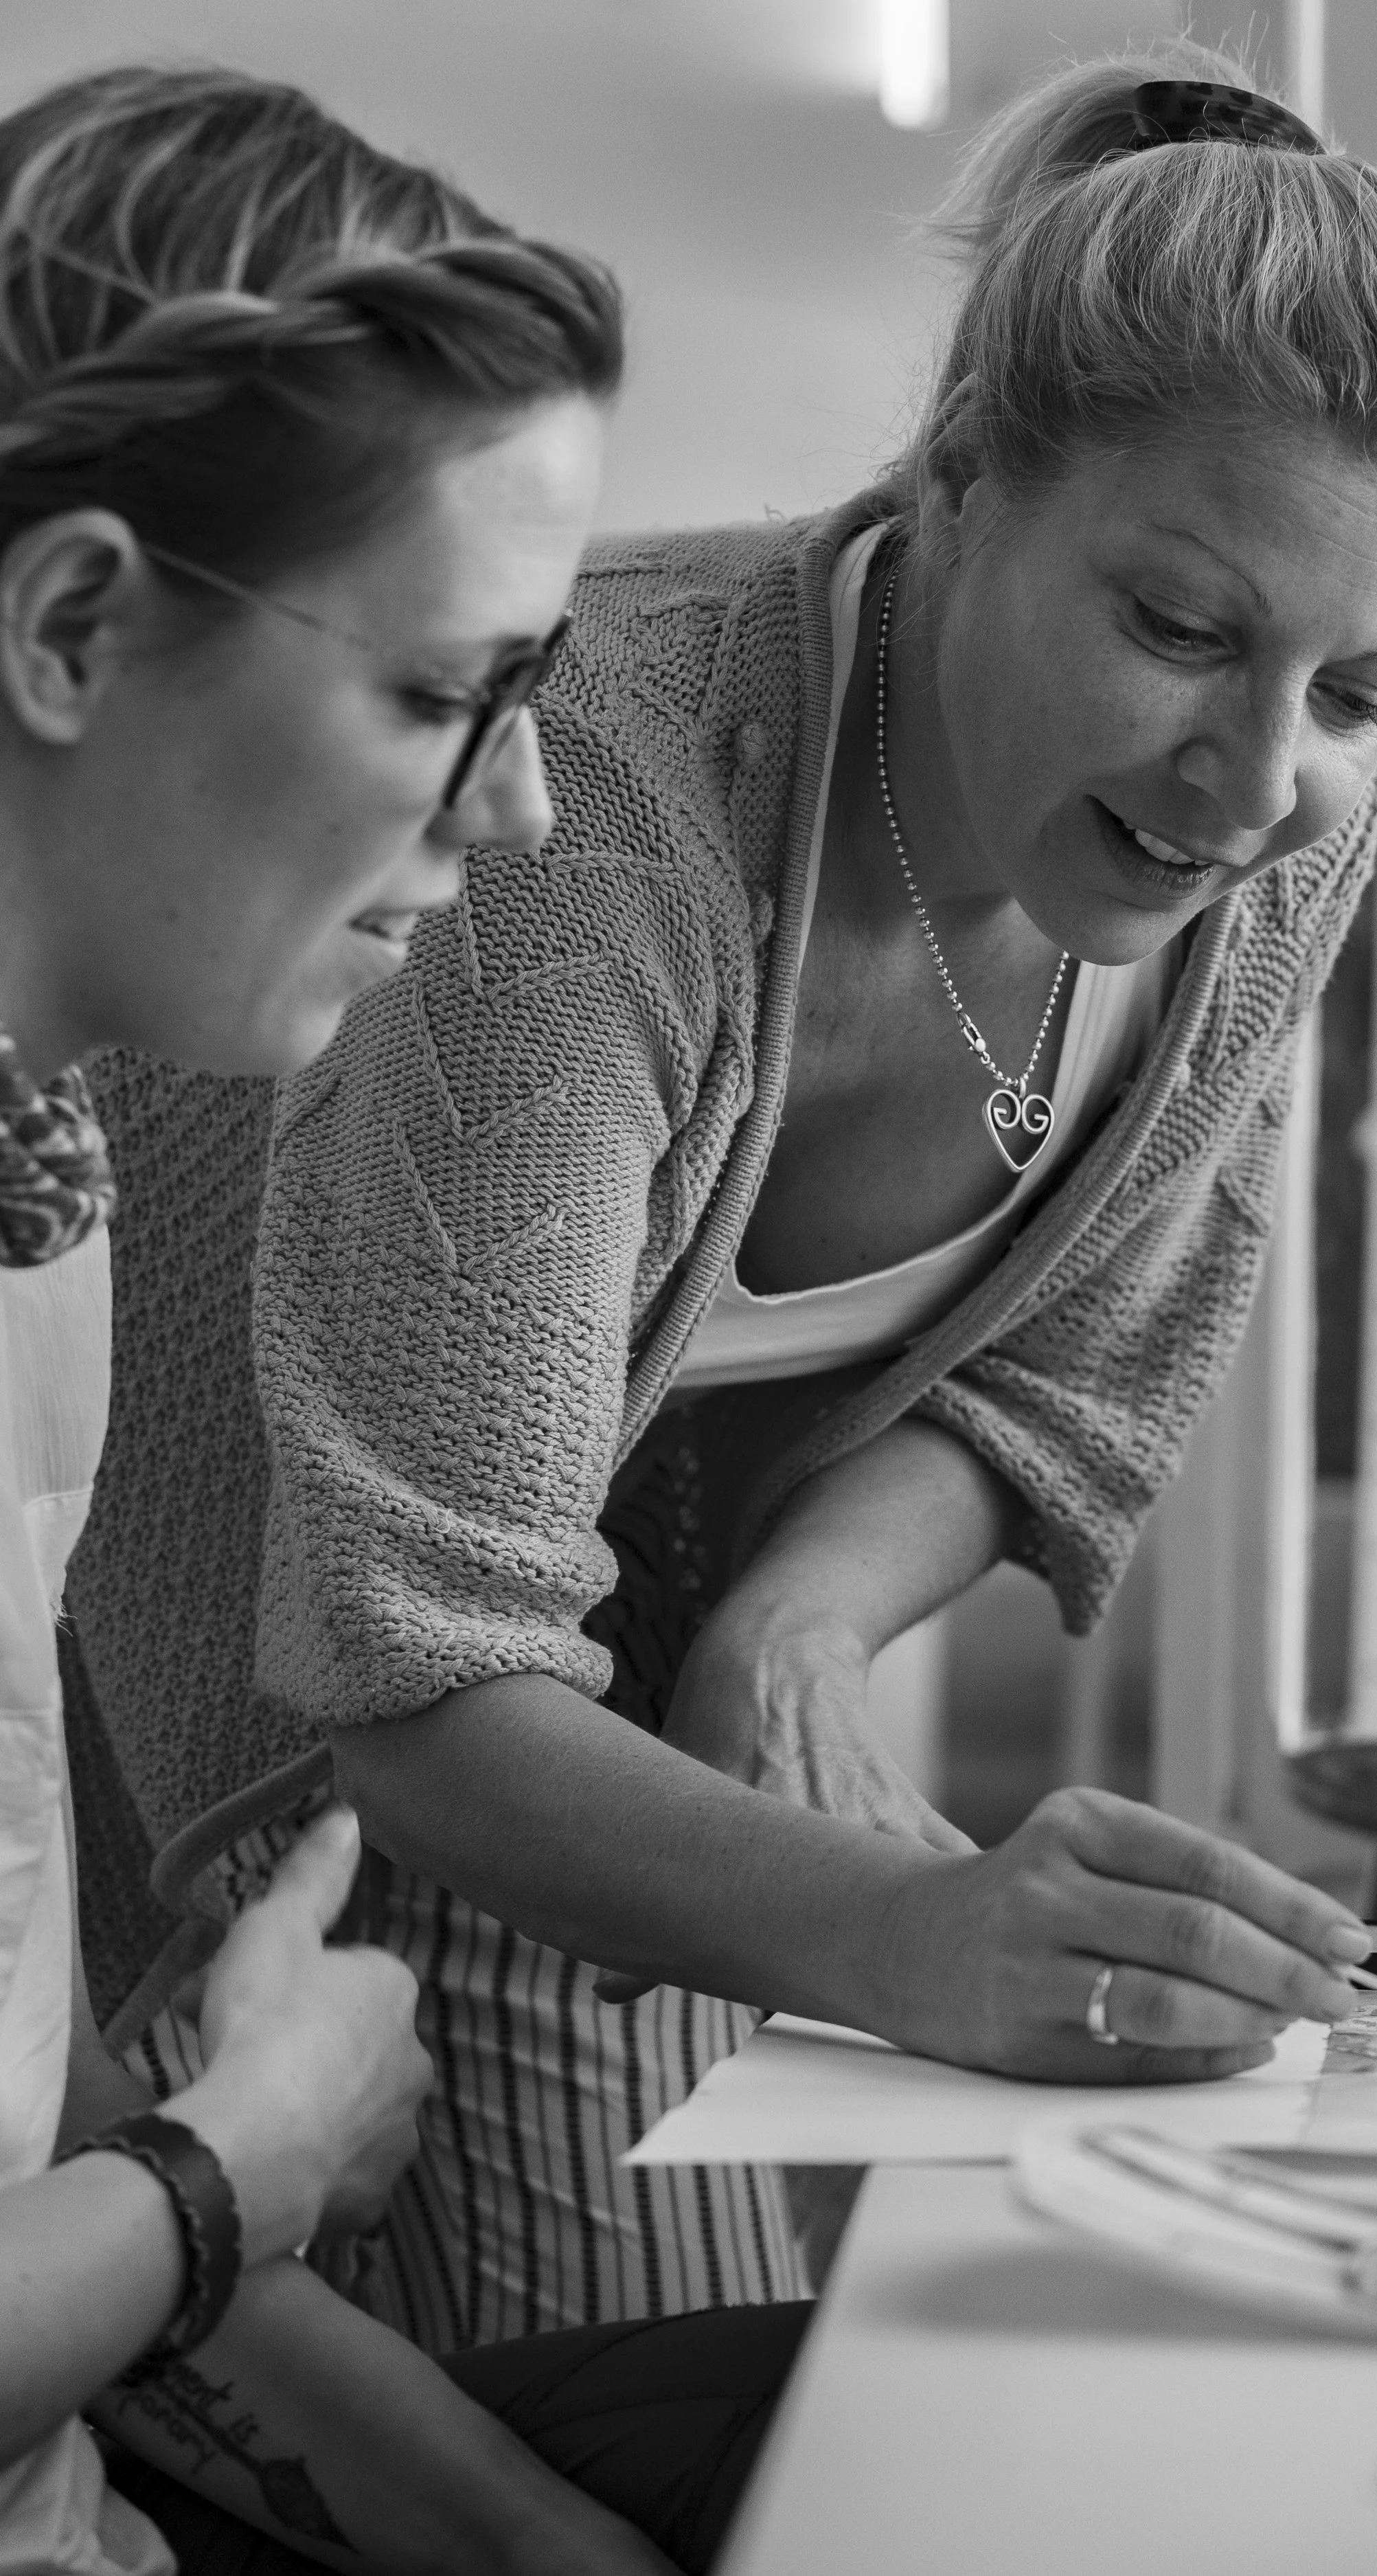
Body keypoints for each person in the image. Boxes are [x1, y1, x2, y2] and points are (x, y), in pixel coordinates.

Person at [67, 41, 1377, 2343]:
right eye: (1175, 628)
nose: (1257, 777)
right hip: (305, 1765)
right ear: (956, 475)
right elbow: (407, 1666)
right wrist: (906, 1935)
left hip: (626, 1727)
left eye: (1359, 690)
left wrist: (800, 1616)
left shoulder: (1267, 818)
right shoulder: (598, 820)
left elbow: (1072, 1377)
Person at [0, 63, 808, 2576]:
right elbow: (160, 2182)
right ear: (69, 623)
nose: (528, 808)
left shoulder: (48, 1183)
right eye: (446, 687)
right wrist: (229, 2166)